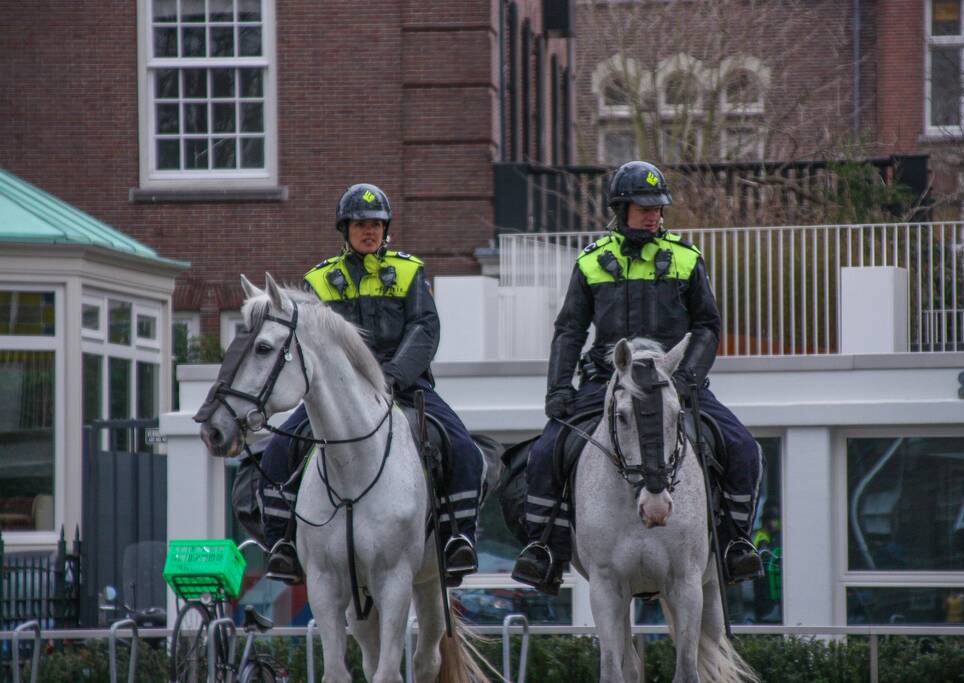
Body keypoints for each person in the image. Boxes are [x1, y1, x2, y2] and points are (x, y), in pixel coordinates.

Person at [510, 161, 764, 596]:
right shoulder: (591, 261)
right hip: (605, 384)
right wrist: (558, 388)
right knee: (544, 454)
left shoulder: (686, 258)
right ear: (621, 208)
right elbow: (570, 330)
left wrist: (686, 379)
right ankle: (544, 550)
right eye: (645, 208)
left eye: (658, 208)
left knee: (743, 448)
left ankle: (735, 543)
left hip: (675, 383)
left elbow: (707, 326)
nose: (654, 216)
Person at [258, 183, 484, 586]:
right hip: (337, 395)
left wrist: (392, 376)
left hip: (405, 387)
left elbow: (424, 329)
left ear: (386, 229)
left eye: (376, 224)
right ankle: (282, 544)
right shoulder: (319, 279)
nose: (369, 231)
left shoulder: (410, 271)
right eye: (361, 224)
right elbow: (311, 340)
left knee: (463, 448)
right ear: (345, 229)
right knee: (276, 452)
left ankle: (458, 538)